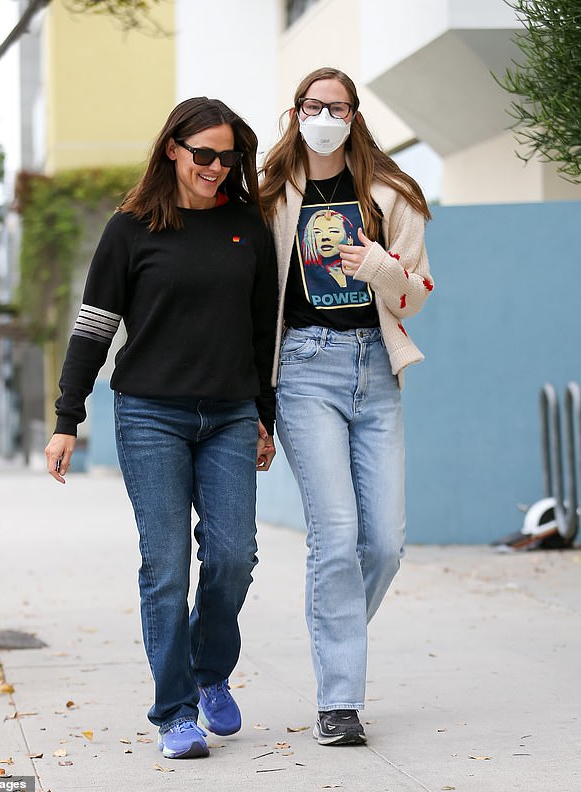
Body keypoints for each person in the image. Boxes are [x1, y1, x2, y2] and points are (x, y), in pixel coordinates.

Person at [45, 97, 278, 761]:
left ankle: (210, 673)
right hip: (151, 414)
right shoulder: (131, 228)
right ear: (172, 148)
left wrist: (266, 413)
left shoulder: (247, 225)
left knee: (234, 556)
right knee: (166, 566)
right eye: (203, 153)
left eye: (227, 156)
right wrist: (68, 418)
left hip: (231, 413)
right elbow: (93, 328)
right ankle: (174, 711)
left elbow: (264, 330)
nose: (215, 166)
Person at [260, 67, 434, 746]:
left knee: (384, 544)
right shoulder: (270, 195)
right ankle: (340, 702)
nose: (324, 115)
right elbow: (253, 300)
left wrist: (376, 265)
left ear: (356, 115)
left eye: (337, 106)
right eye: (312, 105)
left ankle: (336, 641)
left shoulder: (391, 193)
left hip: (376, 367)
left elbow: (414, 295)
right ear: (296, 112)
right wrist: (257, 402)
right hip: (303, 369)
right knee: (334, 537)